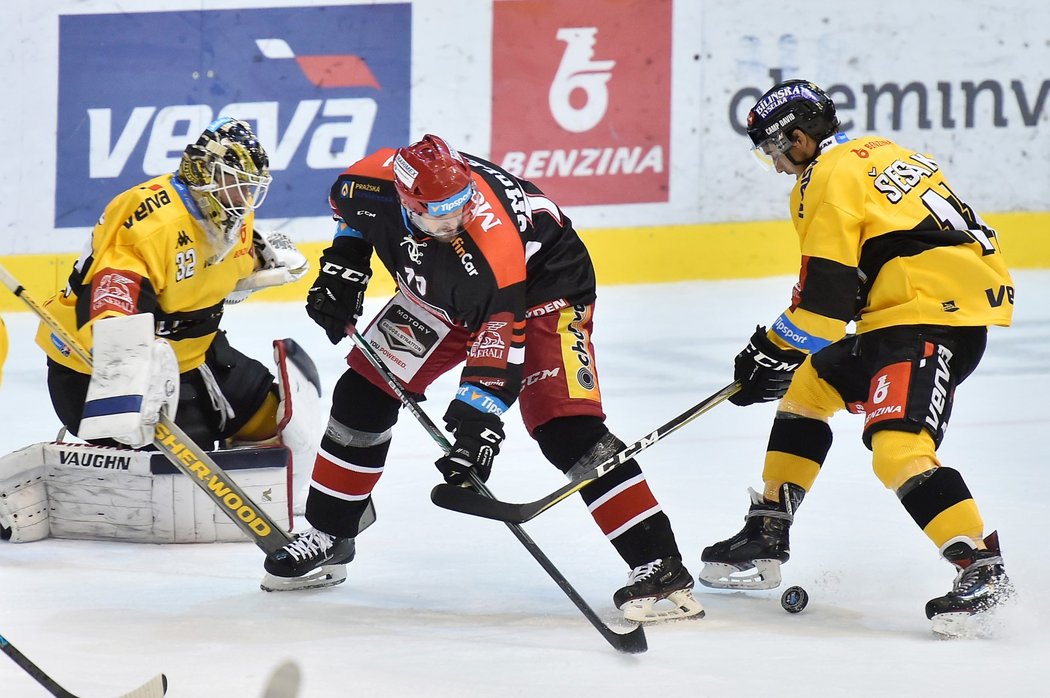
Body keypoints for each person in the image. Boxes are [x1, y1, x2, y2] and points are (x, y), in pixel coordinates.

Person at [260, 134, 702, 622]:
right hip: (441, 291)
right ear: (405, 201)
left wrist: (477, 427)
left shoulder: (490, 244)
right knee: (363, 392)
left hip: (540, 292)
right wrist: (346, 264)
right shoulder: (367, 183)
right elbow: (350, 217)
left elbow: (500, 337)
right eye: (438, 215)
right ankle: (330, 533)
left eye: (460, 209)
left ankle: (660, 567)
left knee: (565, 428)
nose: (453, 224)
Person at [697, 79, 1015, 636]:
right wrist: (782, 357)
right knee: (808, 388)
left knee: (896, 447)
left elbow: (822, 309)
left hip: (927, 317)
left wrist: (766, 350)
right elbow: (843, 300)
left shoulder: (826, 178)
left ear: (797, 137)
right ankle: (769, 526)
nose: (775, 165)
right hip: (908, 311)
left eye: (774, 150)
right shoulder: (875, 151)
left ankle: (980, 566)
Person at [33, 117, 320, 511]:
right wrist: (131, 371)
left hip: (192, 356)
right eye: (235, 182)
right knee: (184, 470)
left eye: (250, 186)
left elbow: (221, 262)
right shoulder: (150, 222)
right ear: (204, 172)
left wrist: (261, 260)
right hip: (100, 375)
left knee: (276, 416)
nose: (244, 196)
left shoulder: (230, 212)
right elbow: (110, 306)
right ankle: (113, 461)